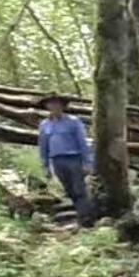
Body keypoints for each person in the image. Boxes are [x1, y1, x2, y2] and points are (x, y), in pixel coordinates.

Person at [37, 94, 94, 222]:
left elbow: (82, 143)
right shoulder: (44, 125)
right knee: (69, 189)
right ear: (47, 106)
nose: (54, 107)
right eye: (51, 104)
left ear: (62, 106)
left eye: (57, 104)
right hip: (57, 161)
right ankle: (81, 215)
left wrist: (87, 162)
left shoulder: (73, 121)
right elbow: (43, 146)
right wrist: (45, 166)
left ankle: (86, 219)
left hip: (74, 159)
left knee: (79, 189)